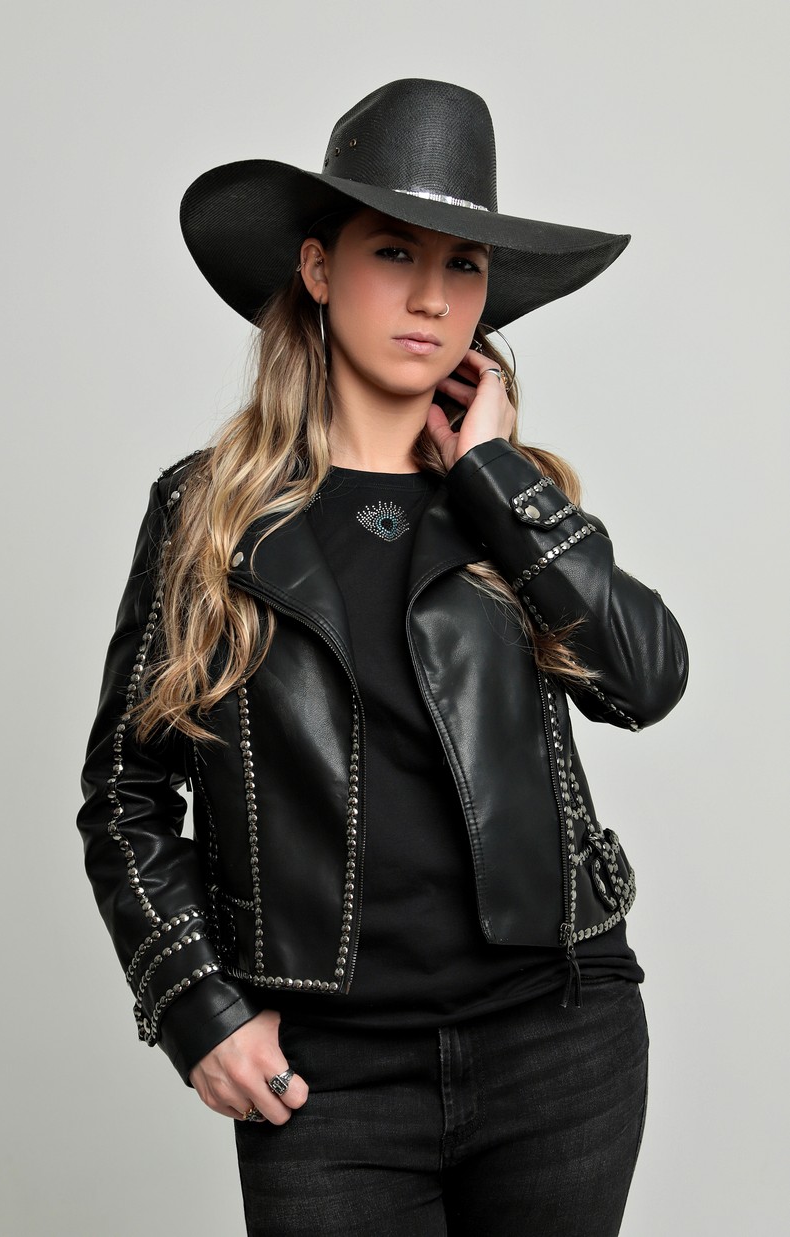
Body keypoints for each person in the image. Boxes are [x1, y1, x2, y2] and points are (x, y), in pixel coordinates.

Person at [78, 78, 688, 1236]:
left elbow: (646, 679)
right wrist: (196, 1002)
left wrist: (497, 478)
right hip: (331, 1079)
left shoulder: (515, 502)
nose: (430, 296)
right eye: (395, 252)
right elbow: (124, 789)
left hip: (558, 1051)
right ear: (318, 268)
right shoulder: (209, 514)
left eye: (464, 266)